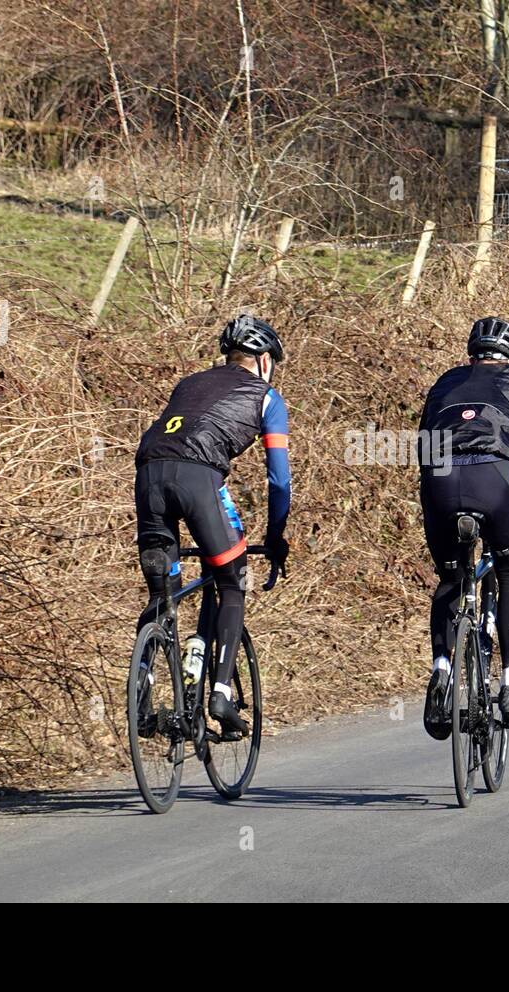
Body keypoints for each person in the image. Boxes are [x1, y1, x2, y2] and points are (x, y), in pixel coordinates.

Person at [133, 315, 291, 739]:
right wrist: (275, 537)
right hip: (198, 480)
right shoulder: (267, 397)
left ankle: (142, 698)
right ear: (262, 360)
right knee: (232, 578)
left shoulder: (188, 384)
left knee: (161, 593)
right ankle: (220, 694)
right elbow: (278, 478)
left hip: (148, 475)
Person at [417, 316, 509, 739]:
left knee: (449, 578)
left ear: (470, 356)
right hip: (493, 481)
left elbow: (424, 444)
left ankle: (441, 670)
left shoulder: (445, 381)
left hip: (438, 480)